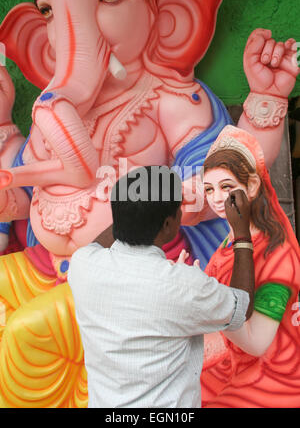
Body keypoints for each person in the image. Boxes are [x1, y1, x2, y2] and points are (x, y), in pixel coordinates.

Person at [68, 165, 255, 408]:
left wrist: (131, 213)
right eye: (179, 209)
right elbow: (242, 306)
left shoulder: (83, 265)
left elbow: (99, 244)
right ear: (168, 225)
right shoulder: (183, 284)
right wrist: (241, 232)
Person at [200, 125, 300, 408]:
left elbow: (257, 344)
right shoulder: (229, 239)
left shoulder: (279, 256)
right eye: (209, 189)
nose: (217, 198)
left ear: (253, 186)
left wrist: (208, 302)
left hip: (272, 374)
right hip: (226, 362)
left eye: (226, 187)